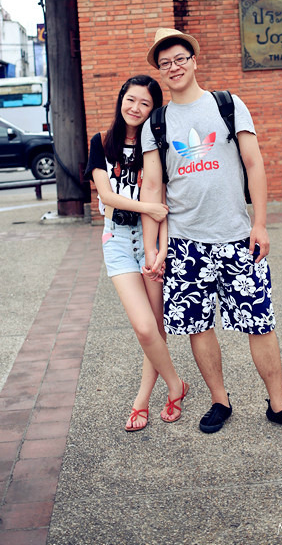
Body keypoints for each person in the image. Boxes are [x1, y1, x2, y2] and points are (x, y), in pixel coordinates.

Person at [140, 29, 282, 434]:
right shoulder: (157, 123)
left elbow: (254, 164)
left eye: (180, 59)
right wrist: (153, 247)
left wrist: (260, 224)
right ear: (160, 71)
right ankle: (219, 400)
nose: (174, 67)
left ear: (194, 60)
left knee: (260, 322)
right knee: (198, 326)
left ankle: (278, 404)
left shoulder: (228, 105)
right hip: (185, 243)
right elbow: (152, 188)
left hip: (238, 237)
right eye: (165, 63)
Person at [84, 74, 188, 431]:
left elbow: (164, 202)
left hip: (150, 240)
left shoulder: (156, 147)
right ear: (121, 99)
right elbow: (107, 197)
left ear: (153, 109)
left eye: (145, 103)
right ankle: (175, 384)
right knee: (144, 329)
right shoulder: (101, 142)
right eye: (131, 99)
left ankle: (142, 400)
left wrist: (162, 246)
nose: (136, 108)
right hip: (116, 241)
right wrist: (148, 208)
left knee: (156, 327)